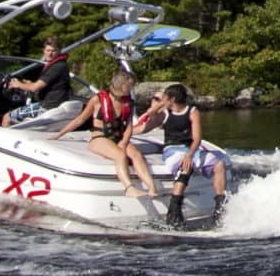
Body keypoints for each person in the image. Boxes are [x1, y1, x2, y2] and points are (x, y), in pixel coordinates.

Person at [51, 65, 158, 198]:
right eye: (129, 86)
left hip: (118, 138)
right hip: (99, 139)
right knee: (120, 155)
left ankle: (152, 189)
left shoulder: (127, 102)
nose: (131, 89)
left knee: (136, 154)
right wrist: (59, 134)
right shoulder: (98, 100)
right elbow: (80, 119)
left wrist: (124, 142)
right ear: (121, 85)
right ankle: (129, 188)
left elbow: (129, 126)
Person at [134, 83, 229, 225]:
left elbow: (197, 138)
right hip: (173, 150)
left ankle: (219, 206)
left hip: (191, 149)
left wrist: (190, 154)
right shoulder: (165, 114)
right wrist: (125, 133)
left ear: (171, 99)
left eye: (164, 98)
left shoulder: (192, 112)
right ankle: (175, 207)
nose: (162, 101)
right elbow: (144, 127)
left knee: (219, 164)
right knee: (185, 167)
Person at [2, 40, 74, 124]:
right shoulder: (61, 64)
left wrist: (17, 84)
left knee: (7, 117)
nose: (50, 54)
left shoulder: (57, 67)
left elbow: (34, 88)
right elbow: (45, 84)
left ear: (59, 51)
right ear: (44, 51)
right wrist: (27, 83)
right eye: (48, 50)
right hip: (54, 105)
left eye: (53, 51)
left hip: (47, 107)